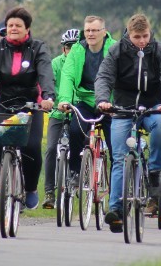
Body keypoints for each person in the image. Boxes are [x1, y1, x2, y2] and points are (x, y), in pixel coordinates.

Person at [96, 13, 161, 233]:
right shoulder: (117, 51)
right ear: (128, 35)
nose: (142, 41)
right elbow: (104, 77)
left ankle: (154, 171)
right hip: (123, 109)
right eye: (137, 37)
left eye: (145, 36)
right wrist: (103, 100)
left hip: (154, 107)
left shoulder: (160, 51)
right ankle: (116, 210)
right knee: (120, 158)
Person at [0, 7, 55, 210]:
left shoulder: (38, 48)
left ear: (27, 28)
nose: (13, 28)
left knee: (31, 146)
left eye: (18, 25)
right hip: (3, 101)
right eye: (10, 25)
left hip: (31, 104)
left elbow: (45, 73)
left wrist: (47, 96)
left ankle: (30, 189)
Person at [57, 16, 115, 194]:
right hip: (85, 100)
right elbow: (67, 75)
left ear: (103, 32)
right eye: (88, 30)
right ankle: (75, 171)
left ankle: (117, 184)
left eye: (95, 30)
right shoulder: (77, 49)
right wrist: (65, 99)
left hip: (109, 102)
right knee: (74, 130)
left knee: (116, 144)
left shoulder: (114, 48)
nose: (91, 34)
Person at [41, 28, 79, 209]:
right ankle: (49, 191)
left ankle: (76, 175)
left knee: (79, 145)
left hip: (78, 112)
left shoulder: (84, 63)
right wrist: (48, 101)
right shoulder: (56, 63)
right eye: (68, 47)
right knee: (50, 149)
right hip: (58, 112)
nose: (71, 50)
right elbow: (48, 84)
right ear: (63, 49)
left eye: (75, 46)